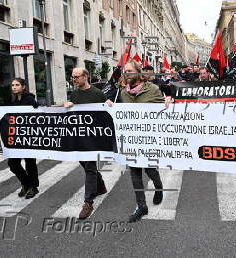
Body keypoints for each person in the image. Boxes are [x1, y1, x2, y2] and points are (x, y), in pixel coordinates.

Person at [117, 59, 164, 223]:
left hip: (149, 139)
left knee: (150, 170)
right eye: (125, 71)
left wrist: (168, 105)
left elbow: (163, 113)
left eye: (129, 71)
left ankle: (158, 187)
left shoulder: (153, 89)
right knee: (135, 172)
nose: (126, 74)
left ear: (138, 72)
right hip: (132, 139)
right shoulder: (123, 93)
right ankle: (141, 206)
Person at [64, 68, 107, 219]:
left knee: (89, 167)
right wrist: (67, 106)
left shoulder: (97, 93)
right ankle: (100, 186)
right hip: (79, 136)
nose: (73, 80)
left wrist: (108, 104)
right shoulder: (74, 94)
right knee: (86, 165)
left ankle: (88, 202)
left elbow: (106, 115)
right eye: (72, 77)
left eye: (76, 77)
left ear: (86, 77)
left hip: (93, 138)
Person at [7, 78, 40, 199]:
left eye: (17, 85)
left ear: (23, 87)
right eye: (12, 85)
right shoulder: (14, 100)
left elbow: (38, 114)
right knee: (12, 163)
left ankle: (33, 187)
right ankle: (26, 183)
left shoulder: (29, 99)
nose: (14, 87)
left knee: (30, 162)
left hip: (29, 136)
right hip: (17, 136)